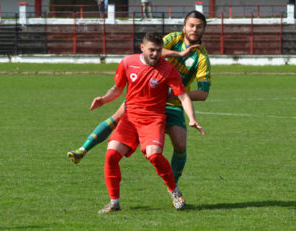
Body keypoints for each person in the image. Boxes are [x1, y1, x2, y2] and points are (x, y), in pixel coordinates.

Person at [68, 11, 211, 185]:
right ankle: (83, 150)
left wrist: (177, 94)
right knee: (118, 116)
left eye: (199, 26)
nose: (194, 29)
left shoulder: (201, 58)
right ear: (184, 26)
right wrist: (179, 55)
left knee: (180, 144)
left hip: (173, 103)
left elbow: (203, 93)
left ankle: (173, 185)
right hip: (146, 96)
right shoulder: (174, 38)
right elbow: (153, 49)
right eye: (191, 25)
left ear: (204, 29)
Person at [91, 32, 205, 213]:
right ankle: (114, 202)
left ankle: (174, 190)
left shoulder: (168, 70)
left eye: (158, 51)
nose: (155, 54)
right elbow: (117, 88)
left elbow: (183, 97)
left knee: (154, 155)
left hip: (153, 120)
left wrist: (192, 118)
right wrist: (104, 99)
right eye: (151, 50)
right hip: (130, 119)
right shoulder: (128, 63)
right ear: (142, 48)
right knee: (111, 154)